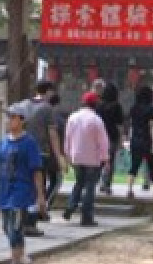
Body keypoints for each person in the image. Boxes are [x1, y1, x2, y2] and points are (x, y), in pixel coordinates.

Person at [0, 101, 46, 264]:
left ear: (22, 120)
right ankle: (21, 255)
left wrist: (40, 196)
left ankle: (15, 259)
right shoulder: (4, 142)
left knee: (15, 228)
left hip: (21, 192)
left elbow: (37, 170)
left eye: (12, 117)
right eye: (8, 117)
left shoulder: (29, 143)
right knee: (7, 227)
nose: (8, 120)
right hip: (5, 192)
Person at [22, 80, 68, 236]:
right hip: (40, 152)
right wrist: (59, 156)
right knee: (38, 188)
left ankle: (22, 221)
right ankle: (30, 223)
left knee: (26, 186)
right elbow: (53, 133)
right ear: (48, 91)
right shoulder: (47, 108)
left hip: (23, 151)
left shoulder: (25, 105)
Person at [62, 91, 109, 226]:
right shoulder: (96, 120)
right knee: (90, 186)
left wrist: (67, 154)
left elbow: (67, 138)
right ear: (95, 104)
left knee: (79, 182)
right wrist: (105, 158)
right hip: (92, 158)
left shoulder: (72, 117)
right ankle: (86, 217)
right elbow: (103, 142)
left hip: (76, 156)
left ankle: (71, 206)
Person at [125, 86, 153, 199]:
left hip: (135, 140)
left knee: (134, 166)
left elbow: (131, 126)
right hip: (147, 140)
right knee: (152, 166)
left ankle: (129, 190)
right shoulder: (151, 109)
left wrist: (129, 140)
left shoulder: (133, 108)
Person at [96, 82, 124, 195]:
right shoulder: (117, 106)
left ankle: (96, 181)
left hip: (100, 136)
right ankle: (106, 185)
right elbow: (119, 125)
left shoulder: (99, 105)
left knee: (99, 161)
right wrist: (121, 139)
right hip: (112, 136)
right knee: (110, 161)